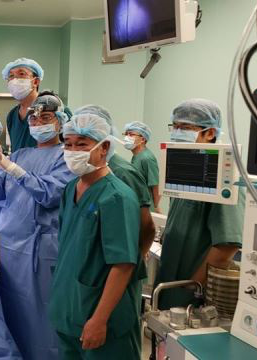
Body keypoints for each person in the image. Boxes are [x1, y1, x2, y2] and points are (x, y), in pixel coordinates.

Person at [0, 92, 73, 360]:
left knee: (43, 320)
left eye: (45, 117)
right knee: (15, 313)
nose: (38, 123)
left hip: (43, 250)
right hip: (12, 249)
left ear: (60, 122)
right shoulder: (21, 154)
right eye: (34, 118)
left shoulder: (67, 157)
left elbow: (49, 194)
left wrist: (14, 170)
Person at [49, 113, 142, 360]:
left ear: (105, 148)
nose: (72, 151)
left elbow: (123, 264)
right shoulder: (71, 189)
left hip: (101, 318)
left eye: (81, 144)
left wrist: (99, 320)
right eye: (67, 144)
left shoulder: (116, 197)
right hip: (70, 309)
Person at [155, 99, 245, 310]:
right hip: (170, 283)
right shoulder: (185, 171)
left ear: (210, 133)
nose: (177, 132)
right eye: (175, 126)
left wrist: (192, 287)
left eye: (185, 128)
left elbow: (226, 246)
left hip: (190, 293)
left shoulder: (224, 178)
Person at [75, 105, 155, 259]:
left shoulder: (123, 173)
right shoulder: (83, 172)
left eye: (83, 142)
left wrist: (134, 263)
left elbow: (146, 227)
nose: (75, 149)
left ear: (105, 142)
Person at [2, 58, 44, 152]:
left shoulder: (53, 109)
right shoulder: (12, 115)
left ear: (36, 82)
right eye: (11, 76)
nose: (14, 80)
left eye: (21, 74)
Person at [123, 121, 161, 213]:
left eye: (131, 134)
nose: (127, 137)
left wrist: (155, 208)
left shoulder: (147, 158)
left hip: (146, 207)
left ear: (143, 139)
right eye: (126, 134)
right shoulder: (137, 156)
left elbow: (155, 186)